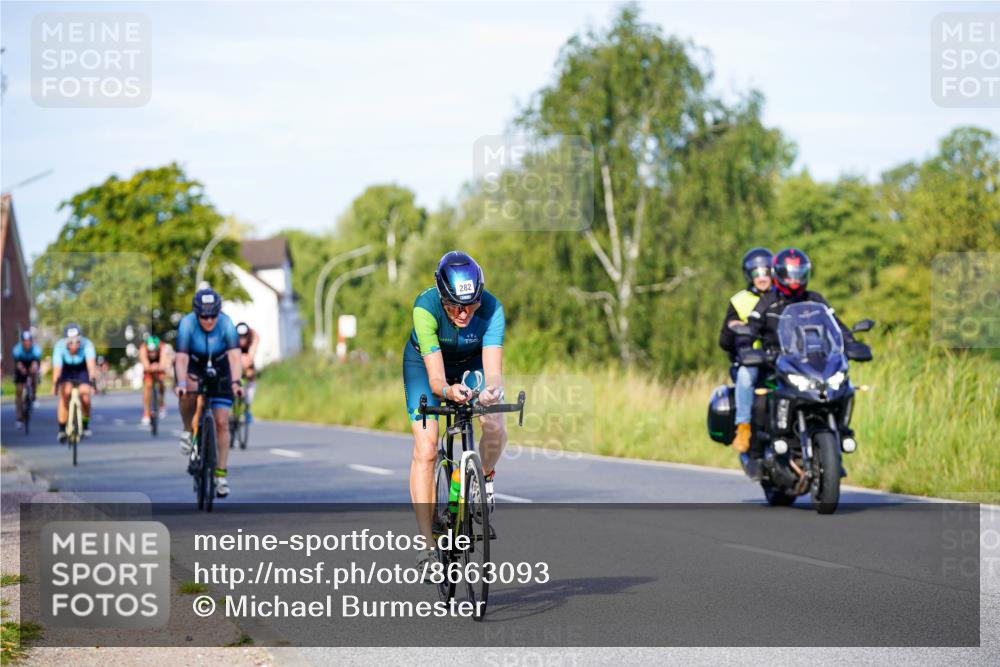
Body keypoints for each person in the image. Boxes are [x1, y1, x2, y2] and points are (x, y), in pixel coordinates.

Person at [404, 251, 506, 575]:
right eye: (454, 305)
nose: (463, 313)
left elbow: (493, 373)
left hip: (471, 363)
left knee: (495, 424)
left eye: (470, 305)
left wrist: (490, 392)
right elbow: (436, 380)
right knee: (426, 447)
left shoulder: (492, 309)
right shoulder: (425, 307)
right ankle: (426, 547)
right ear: (441, 296)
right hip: (426, 367)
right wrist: (448, 391)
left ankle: (482, 479)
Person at [744, 247, 856, 478]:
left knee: (845, 388)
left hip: (813, 364)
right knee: (761, 399)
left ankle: (841, 435)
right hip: (776, 364)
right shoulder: (767, 302)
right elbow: (750, 329)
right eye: (789, 274)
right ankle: (755, 455)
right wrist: (746, 347)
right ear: (779, 274)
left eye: (799, 274)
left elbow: (836, 325)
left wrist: (852, 344)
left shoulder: (815, 299)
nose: (794, 280)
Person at [174, 288, 244, 498]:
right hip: (194, 364)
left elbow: (235, 356)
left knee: (222, 422)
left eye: (213, 315)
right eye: (204, 316)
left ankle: (220, 476)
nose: (209, 320)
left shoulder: (226, 323)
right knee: (188, 393)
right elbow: (181, 358)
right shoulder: (187, 324)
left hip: (221, 367)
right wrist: (181, 383)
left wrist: (236, 382)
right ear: (197, 314)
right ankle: (188, 430)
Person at [718, 247, 773, 454]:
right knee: (745, 375)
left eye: (766, 272)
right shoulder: (740, 300)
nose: (762, 278)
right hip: (752, 360)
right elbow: (724, 341)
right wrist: (738, 334)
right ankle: (744, 427)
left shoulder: (782, 297)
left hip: (780, 357)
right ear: (749, 275)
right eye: (757, 273)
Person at [51, 323, 97, 442]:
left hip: (82, 369)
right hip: (66, 369)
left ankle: (85, 424)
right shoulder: (59, 346)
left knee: (85, 396)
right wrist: (55, 385)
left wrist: (93, 382)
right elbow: (57, 370)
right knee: (65, 393)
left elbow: (91, 367)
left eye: (77, 341)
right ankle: (62, 429)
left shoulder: (87, 345)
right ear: (66, 341)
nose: (74, 345)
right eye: (71, 342)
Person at [11, 330, 42, 429]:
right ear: (22, 342)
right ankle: (19, 417)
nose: (27, 343)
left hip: (32, 363)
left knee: (34, 374)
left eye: (29, 341)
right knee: (19, 390)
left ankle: (34, 396)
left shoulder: (36, 349)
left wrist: (33, 369)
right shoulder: (17, 349)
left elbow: (36, 362)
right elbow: (18, 363)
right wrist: (22, 369)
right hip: (21, 365)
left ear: (31, 341)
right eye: (25, 341)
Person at [139, 335, 171, 424]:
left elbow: (164, 363)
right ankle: (146, 413)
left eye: (154, 351)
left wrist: (159, 367)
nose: (152, 354)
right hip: (149, 366)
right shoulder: (143, 348)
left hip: (159, 363)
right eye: (150, 351)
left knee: (161, 380)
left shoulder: (162, 347)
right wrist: (149, 367)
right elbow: (145, 363)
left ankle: (162, 403)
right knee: (147, 386)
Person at [235, 322, 259, 423]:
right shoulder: (231, 336)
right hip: (236, 354)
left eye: (244, 337)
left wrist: (248, 361)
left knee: (251, 375)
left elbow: (251, 354)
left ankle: (247, 407)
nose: (242, 340)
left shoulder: (253, 336)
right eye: (240, 337)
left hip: (247, 355)